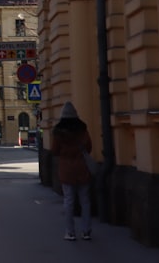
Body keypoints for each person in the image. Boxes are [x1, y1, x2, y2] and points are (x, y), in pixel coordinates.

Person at [51, 101, 93, 241]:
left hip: (66, 170)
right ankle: (86, 231)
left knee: (68, 201)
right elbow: (88, 147)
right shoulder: (83, 130)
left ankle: (70, 232)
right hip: (82, 168)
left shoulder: (58, 133)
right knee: (85, 201)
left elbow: (54, 151)